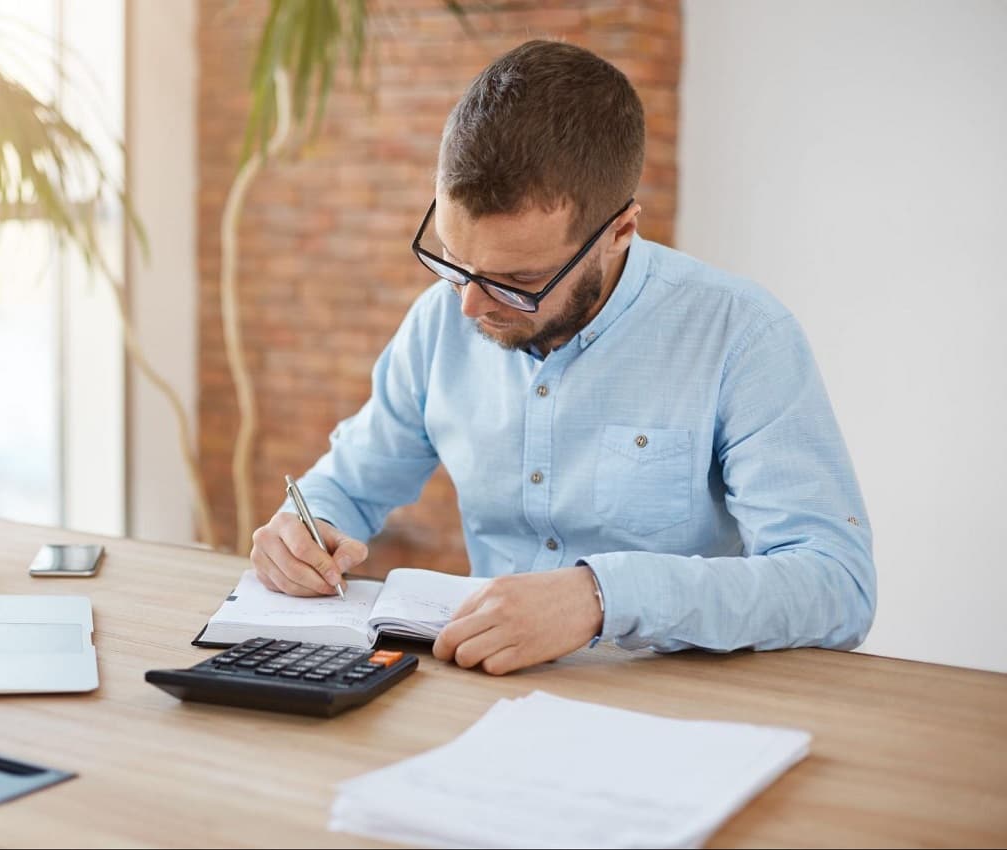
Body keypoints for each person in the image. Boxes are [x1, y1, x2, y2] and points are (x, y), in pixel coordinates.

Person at [249, 39, 875, 675]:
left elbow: (836, 585)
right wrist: (305, 529)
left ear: (620, 232)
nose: (470, 306)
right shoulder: (442, 321)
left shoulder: (741, 335)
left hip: (674, 707)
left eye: (516, 280)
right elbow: (349, 483)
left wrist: (601, 597)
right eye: (455, 261)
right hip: (482, 689)